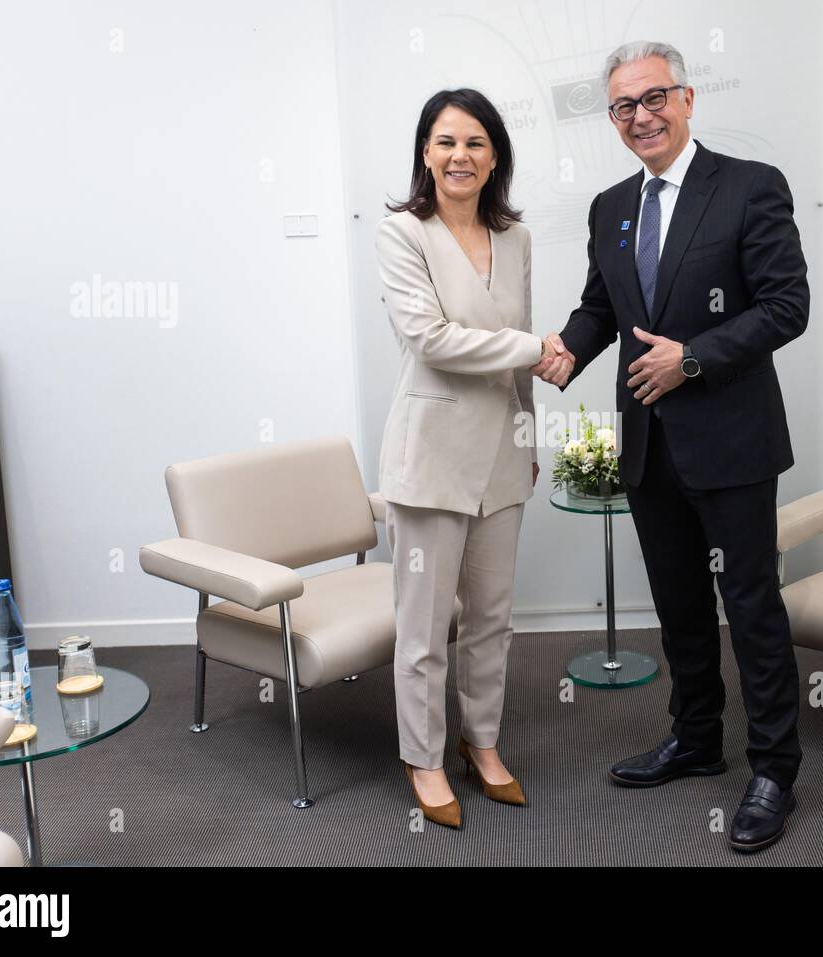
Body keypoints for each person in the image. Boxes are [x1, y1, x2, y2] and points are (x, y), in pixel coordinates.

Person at [534, 41, 810, 853]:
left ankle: (773, 769)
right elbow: (600, 308)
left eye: (654, 98)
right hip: (648, 443)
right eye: (623, 106)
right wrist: (566, 351)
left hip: (731, 442)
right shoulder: (610, 204)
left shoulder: (752, 187)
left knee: (750, 608)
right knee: (680, 607)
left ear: (687, 98)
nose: (641, 116)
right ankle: (695, 739)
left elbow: (788, 305)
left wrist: (692, 357)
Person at [376, 88, 565, 829]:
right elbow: (430, 339)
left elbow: (518, 365)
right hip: (429, 459)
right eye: (446, 142)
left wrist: (528, 438)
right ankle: (422, 757)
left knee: (491, 618)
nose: (461, 156)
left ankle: (480, 741)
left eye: (476, 143)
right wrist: (535, 346)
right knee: (424, 629)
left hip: (500, 457)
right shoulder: (403, 232)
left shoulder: (515, 237)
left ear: (495, 157)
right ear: (426, 152)